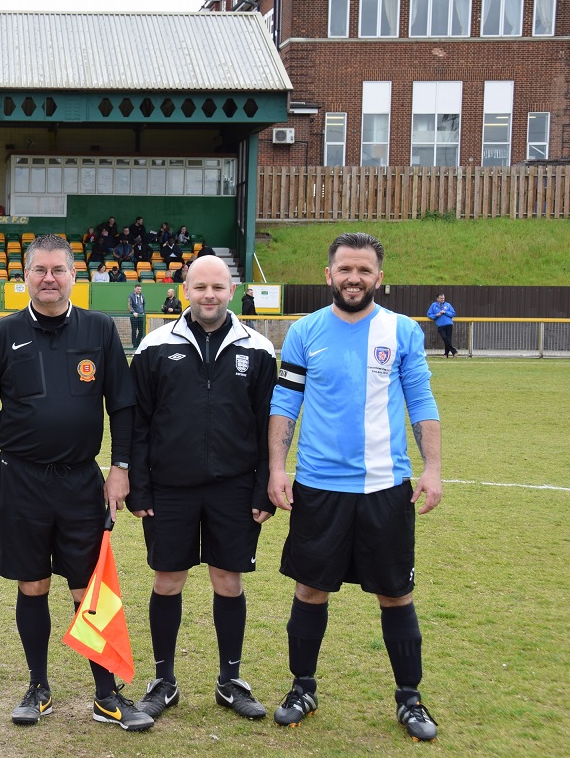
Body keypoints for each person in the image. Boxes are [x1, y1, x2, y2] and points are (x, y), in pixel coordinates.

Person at [0, 234, 153, 733]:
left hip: (80, 482)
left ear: (74, 276)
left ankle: (106, 694)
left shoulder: (98, 329)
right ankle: (37, 686)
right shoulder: (3, 334)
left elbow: (123, 404)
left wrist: (120, 468)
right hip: (22, 481)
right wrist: (10, 429)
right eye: (39, 270)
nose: (48, 278)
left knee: (86, 589)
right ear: (24, 276)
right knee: (33, 584)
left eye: (58, 270)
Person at [267, 232, 442, 742]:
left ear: (379, 278)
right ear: (329, 274)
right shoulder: (303, 332)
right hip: (319, 487)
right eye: (345, 269)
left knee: (396, 593)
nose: (354, 278)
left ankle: (409, 697)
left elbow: (421, 402)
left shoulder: (403, 331)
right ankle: (302, 687)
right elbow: (285, 405)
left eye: (364, 270)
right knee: (310, 588)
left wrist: (431, 468)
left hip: (386, 487)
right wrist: (278, 468)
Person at [127, 255, 278, 723]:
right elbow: (139, 423)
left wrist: (261, 490)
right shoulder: (154, 346)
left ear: (232, 290)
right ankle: (164, 681)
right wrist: (140, 487)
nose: (208, 295)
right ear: (184, 289)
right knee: (167, 581)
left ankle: (230, 681)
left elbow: (267, 424)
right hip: (169, 489)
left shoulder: (258, 348)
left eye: (217, 287)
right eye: (200, 287)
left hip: (234, 489)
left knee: (227, 581)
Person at [127, 283, 146, 349]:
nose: (139, 290)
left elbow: (144, 304)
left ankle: (137, 343)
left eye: (140, 289)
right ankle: (134, 345)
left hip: (141, 316)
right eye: (138, 289)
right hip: (134, 316)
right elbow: (129, 306)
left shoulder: (142, 296)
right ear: (134, 289)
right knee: (134, 330)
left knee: (141, 331)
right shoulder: (131, 296)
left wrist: (143, 312)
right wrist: (133, 312)